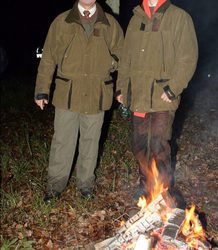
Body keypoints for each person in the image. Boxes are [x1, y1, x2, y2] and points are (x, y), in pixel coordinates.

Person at [35, 0, 124, 203]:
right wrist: (42, 90)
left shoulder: (110, 23)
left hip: (97, 93)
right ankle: (55, 185)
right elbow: (48, 57)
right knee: (62, 141)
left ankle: (86, 184)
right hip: (68, 93)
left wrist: (111, 62)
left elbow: (123, 54)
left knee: (91, 142)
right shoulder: (61, 22)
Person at [116, 0, 198, 200]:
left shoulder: (179, 17)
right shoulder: (136, 18)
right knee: (140, 144)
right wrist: (121, 87)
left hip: (163, 95)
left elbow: (188, 57)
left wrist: (173, 88)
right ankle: (145, 186)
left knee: (159, 145)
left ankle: (162, 190)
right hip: (139, 95)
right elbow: (126, 59)